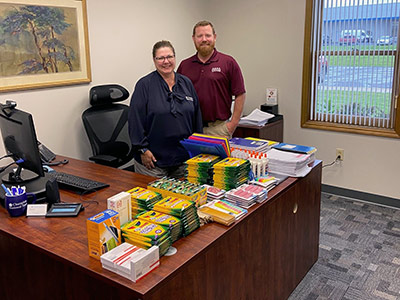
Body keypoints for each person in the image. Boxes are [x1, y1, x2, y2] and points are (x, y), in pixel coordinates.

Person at [128, 40, 203, 178]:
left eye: (169, 57)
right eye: (161, 58)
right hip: (153, 161)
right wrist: (142, 149)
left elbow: (196, 117)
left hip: (183, 159)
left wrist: (197, 147)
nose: (166, 61)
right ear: (154, 60)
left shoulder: (186, 83)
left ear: (175, 58)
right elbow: (135, 121)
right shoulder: (144, 85)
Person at [177, 20, 246, 139]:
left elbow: (240, 94)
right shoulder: (185, 65)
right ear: (193, 39)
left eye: (208, 35)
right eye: (200, 36)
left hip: (218, 129)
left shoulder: (228, 62)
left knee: (219, 159)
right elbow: (177, 95)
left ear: (214, 37)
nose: (204, 39)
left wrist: (233, 124)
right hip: (191, 129)